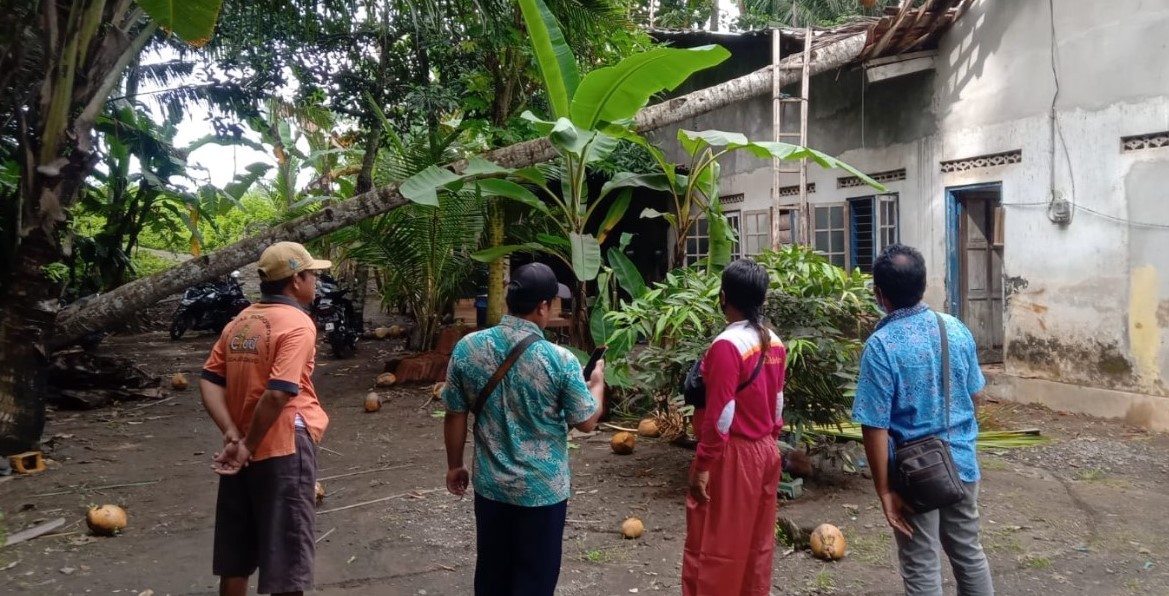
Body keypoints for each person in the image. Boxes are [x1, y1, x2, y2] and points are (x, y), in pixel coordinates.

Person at [440, 262, 606, 596]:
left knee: (492, 576)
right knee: (535, 580)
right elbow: (587, 421)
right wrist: (597, 384)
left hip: (492, 489)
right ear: (542, 307)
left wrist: (455, 465)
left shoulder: (468, 348)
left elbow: (455, 414)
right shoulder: (559, 360)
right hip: (542, 493)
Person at [853, 243, 994, 596]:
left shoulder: (881, 346)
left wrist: (884, 489)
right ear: (923, 284)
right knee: (968, 554)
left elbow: (874, 427)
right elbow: (975, 393)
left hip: (913, 475)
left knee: (921, 565)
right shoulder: (956, 329)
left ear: (879, 294)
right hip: (962, 463)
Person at [199, 241, 331, 596]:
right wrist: (250, 446)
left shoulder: (241, 322)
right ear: (296, 280)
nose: (315, 282)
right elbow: (279, 392)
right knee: (287, 560)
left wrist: (232, 434)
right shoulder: (298, 324)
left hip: (241, 444)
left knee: (236, 555)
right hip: (283, 445)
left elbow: (209, 380)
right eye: (312, 275)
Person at [683, 259, 787, 596]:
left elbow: (722, 414)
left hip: (734, 453)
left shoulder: (727, 345)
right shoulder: (774, 342)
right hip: (767, 450)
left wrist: (703, 464)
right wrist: (771, 441)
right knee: (757, 542)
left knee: (717, 542)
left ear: (724, 296)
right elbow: (778, 403)